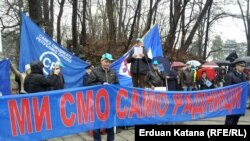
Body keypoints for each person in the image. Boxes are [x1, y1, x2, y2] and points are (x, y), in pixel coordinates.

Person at [86, 53, 118, 141]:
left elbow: (117, 85)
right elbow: (88, 84)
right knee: (97, 125)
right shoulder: (95, 71)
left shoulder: (113, 72)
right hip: (98, 102)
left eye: (109, 62)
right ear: (101, 61)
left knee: (110, 125)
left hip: (110, 103)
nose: (107, 63)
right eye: (106, 61)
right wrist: (101, 85)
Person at [224, 59, 247, 125]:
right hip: (232, 101)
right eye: (241, 66)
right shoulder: (230, 75)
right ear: (236, 66)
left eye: (244, 66)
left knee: (236, 119)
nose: (243, 67)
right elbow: (226, 89)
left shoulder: (244, 75)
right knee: (230, 120)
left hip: (240, 101)